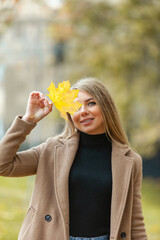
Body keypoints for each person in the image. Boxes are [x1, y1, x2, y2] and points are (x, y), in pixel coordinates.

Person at [0, 77, 148, 240]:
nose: (83, 111)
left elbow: (135, 221)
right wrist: (28, 121)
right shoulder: (52, 150)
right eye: (75, 106)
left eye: (91, 103)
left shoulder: (131, 161)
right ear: (70, 115)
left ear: (106, 107)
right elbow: (3, 165)